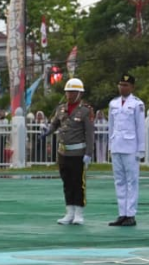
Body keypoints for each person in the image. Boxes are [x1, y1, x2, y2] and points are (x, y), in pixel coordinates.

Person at [48, 78, 95, 225]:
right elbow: (55, 124)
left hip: (78, 153)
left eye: (73, 92)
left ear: (79, 93)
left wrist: (88, 153)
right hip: (63, 153)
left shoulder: (85, 111)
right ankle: (69, 212)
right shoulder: (61, 109)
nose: (69, 94)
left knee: (78, 183)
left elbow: (89, 134)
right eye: (68, 92)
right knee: (66, 182)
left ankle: (79, 212)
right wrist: (47, 131)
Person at [108, 73, 146, 227]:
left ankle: (131, 214)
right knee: (119, 181)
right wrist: (110, 147)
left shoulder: (137, 104)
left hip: (131, 147)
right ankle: (122, 213)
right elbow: (111, 127)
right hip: (117, 145)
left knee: (132, 181)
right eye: (120, 85)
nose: (122, 87)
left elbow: (140, 127)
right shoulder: (113, 104)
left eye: (125, 85)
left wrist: (141, 149)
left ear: (132, 87)